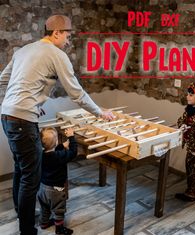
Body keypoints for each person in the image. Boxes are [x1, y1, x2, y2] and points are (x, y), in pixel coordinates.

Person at [0, 15, 115, 235]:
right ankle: (27, 230)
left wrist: (27, 102)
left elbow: (3, 80)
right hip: (22, 122)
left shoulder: (23, 50)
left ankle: (21, 213)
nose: (68, 41)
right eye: (68, 35)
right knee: (30, 179)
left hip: (7, 116)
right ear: (56, 33)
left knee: (21, 171)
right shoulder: (56, 54)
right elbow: (76, 92)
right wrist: (100, 112)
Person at [38, 127, 76, 235]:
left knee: (44, 208)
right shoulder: (59, 156)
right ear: (56, 142)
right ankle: (59, 229)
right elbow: (73, 152)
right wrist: (71, 137)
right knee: (59, 209)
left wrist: (61, 146)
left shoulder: (41, 154)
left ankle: (43, 223)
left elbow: (53, 150)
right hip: (56, 190)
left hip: (42, 188)